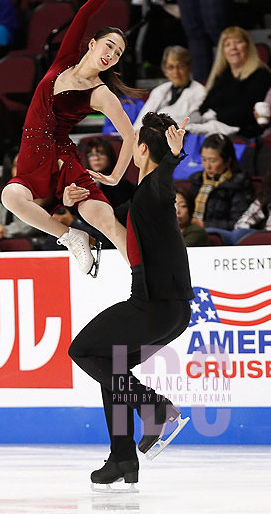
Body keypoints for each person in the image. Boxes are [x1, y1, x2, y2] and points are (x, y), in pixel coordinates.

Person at [68, 113, 192, 491]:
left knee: (83, 350)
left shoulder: (154, 190)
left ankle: (155, 407)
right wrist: (76, 201)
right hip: (168, 310)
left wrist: (173, 158)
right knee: (110, 365)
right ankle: (122, 458)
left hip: (153, 306)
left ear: (140, 149)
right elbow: (110, 216)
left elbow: (162, 186)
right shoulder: (142, 200)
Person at [1, 0, 136, 277]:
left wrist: (117, 176)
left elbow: (130, 136)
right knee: (11, 198)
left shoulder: (101, 94)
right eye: (109, 46)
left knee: (105, 221)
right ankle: (72, 238)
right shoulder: (64, 61)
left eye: (118, 54)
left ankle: (144, 278)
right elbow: (84, 15)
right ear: (93, 44)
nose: (112, 55)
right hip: (32, 155)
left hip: (61, 157)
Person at [186, 26, 271, 138]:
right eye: (227, 44)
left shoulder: (261, 74)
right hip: (217, 130)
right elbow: (208, 102)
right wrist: (198, 114)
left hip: (244, 132)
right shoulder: (223, 75)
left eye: (238, 42)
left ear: (248, 46)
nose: (233, 48)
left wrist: (216, 116)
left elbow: (246, 111)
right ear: (223, 51)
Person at [188, 133, 254, 231]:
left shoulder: (239, 183)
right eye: (204, 159)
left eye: (213, 161)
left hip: (218, 235)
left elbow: (237, 222)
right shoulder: (196, 180)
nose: (207, 166)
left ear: (227, 161)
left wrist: (204, 225)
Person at [133, 46, 206, 130]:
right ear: (165, 71)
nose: (176, 72)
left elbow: (192, 124)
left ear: (189, 68)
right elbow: (140, 122)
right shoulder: (159, 90)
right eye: (171, 67)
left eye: (180, 66)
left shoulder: (199, 92)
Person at [0, 148, 45, 244]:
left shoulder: (43, 192)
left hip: (35, 244)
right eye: (17, 165)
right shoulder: (7, 192)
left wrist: (5, 230)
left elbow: (33, 225)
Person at [83, 136, 134, 226]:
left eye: (100, 153)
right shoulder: (81, 182)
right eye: (91, 155)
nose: (96, 158)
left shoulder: (124, 185)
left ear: (109, 156)